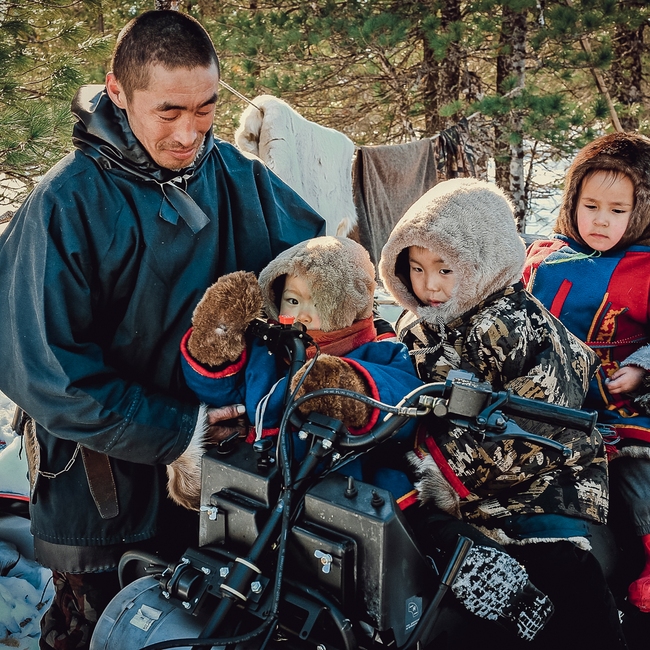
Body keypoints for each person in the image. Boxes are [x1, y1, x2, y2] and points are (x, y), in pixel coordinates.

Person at [0, 10, 324, 649]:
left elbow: (313, 270)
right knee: (100, 633)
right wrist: (178, 431)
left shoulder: (236, 176)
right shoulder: (66, 201)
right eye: (168, 111)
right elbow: (44, 368)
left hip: (227, 486)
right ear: (118, 93)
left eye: (205, 108)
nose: (188, 132)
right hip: (105, 493)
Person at [379, 177, 627, 649]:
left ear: (483, 261)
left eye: (445, 269)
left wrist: (436, 462)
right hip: (457, 472)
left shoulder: (519, 326)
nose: (429, 285)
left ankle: (567, 618)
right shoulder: (419, 324)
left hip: (544, 476)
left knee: (564, 575)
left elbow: (536, 425)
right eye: (415, 268)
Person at [177, 235, 422, 510]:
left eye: (318, 303)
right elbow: (224, 396)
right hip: (259, 482)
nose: (302, 315)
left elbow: (401, 398)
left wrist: (345, 386)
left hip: (340, 489)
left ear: (349, 305)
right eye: (292, 300)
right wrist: (214, 349)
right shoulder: (266, 351)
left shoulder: (378, 351)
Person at [523, 132, 650, 619]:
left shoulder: (644, 269)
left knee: (639, 479)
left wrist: (641, 369)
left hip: (616, 406)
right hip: (541, 402)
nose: (600, 219)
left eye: (617, 210)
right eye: (590, 205)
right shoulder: (543, 257)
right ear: (572, 200)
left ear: (640, 211)